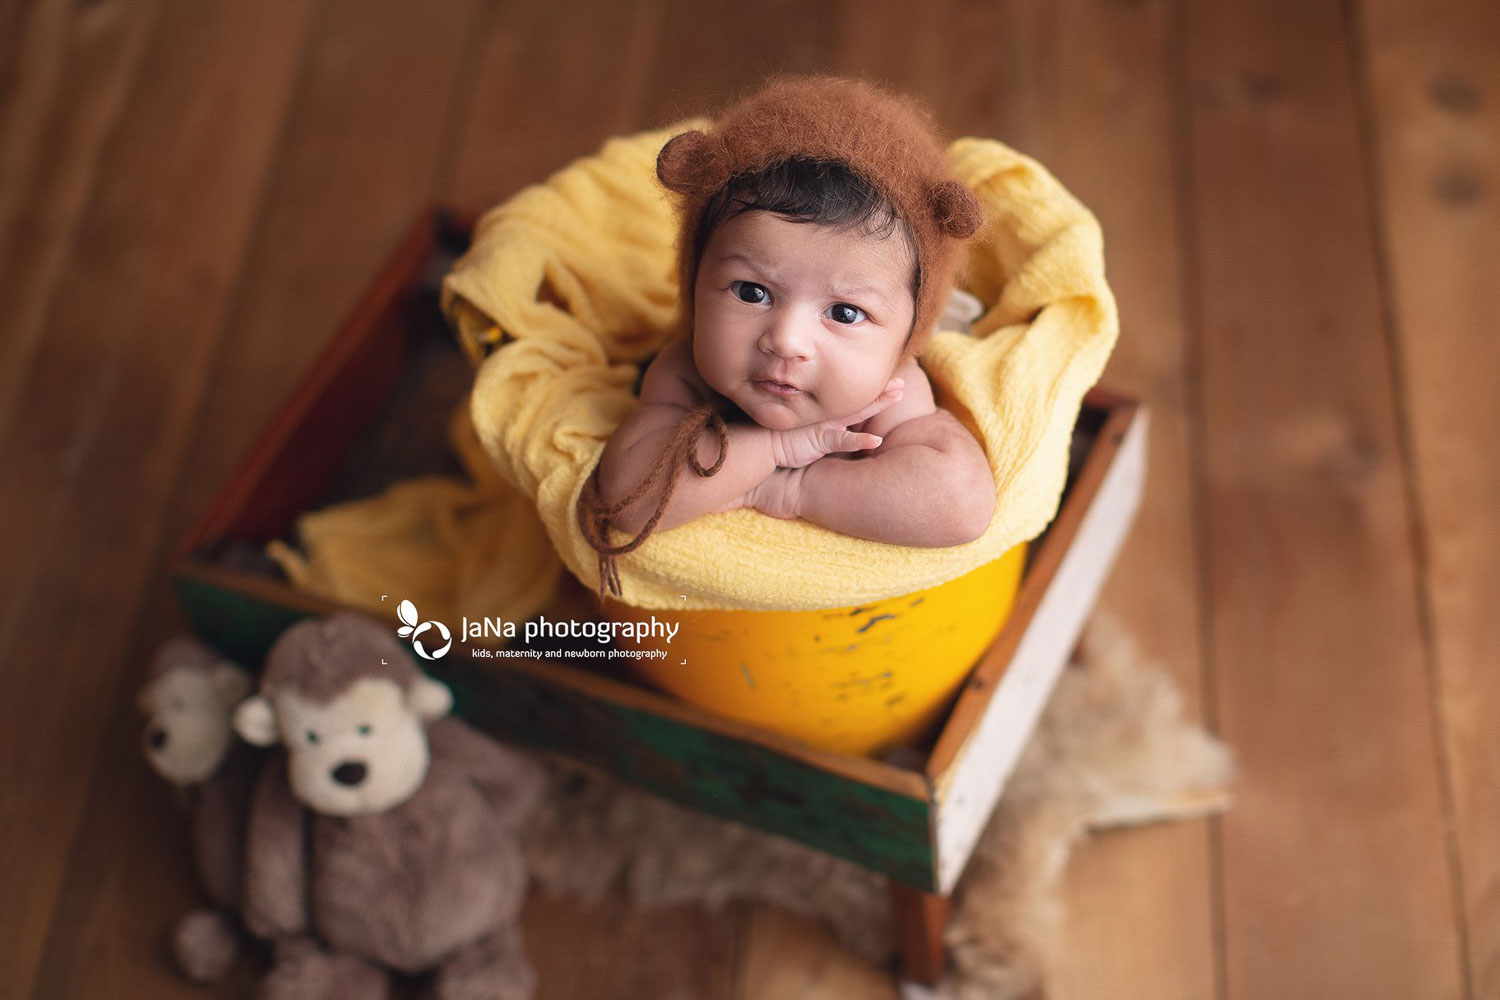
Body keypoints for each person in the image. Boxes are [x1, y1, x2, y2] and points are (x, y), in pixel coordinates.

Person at [579, 76, 994, 593]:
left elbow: (960, 504)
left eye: (844, 313)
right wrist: (775, 452)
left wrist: (795, 488)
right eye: (752, 293)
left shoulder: (890, 390)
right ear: (694, 281)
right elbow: (629, 498)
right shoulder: (685, 369)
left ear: (907, 336)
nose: (787, 341)